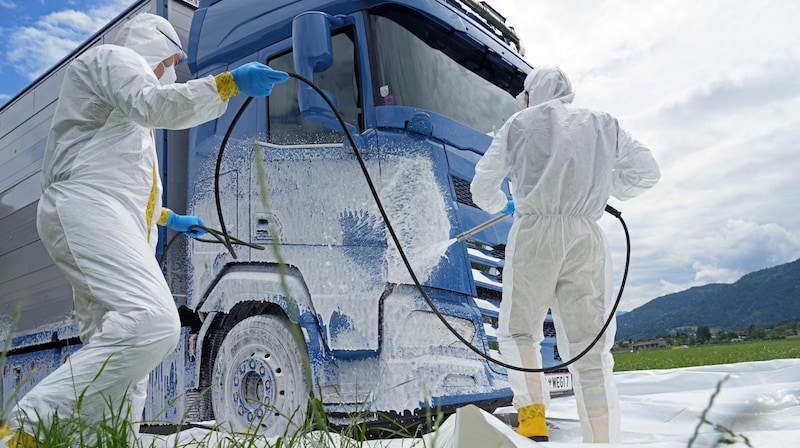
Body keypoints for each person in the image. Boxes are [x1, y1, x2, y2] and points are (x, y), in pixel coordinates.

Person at [0, 13, 288, 447]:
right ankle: (26, 426)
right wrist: (226, 84)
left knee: (126, 365)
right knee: (152, 322)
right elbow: (154, 106)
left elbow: (132, 190)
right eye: (168, 59)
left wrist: (173, 220)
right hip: (84, 206)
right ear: (150, 40)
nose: (168, 70)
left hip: (108, 213)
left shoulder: (129, 123)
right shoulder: (114, 58)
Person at [470, 66, 660, 443]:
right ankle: (601, 438)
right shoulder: (605, 123)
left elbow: (481, 186)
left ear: (532, 93)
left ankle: (534, 422)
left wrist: (501, 203)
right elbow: (647, 172)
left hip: (534, 235)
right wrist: (606, 186)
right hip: (585, 237)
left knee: (520, 331)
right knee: (589, 345)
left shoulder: (519, 123)